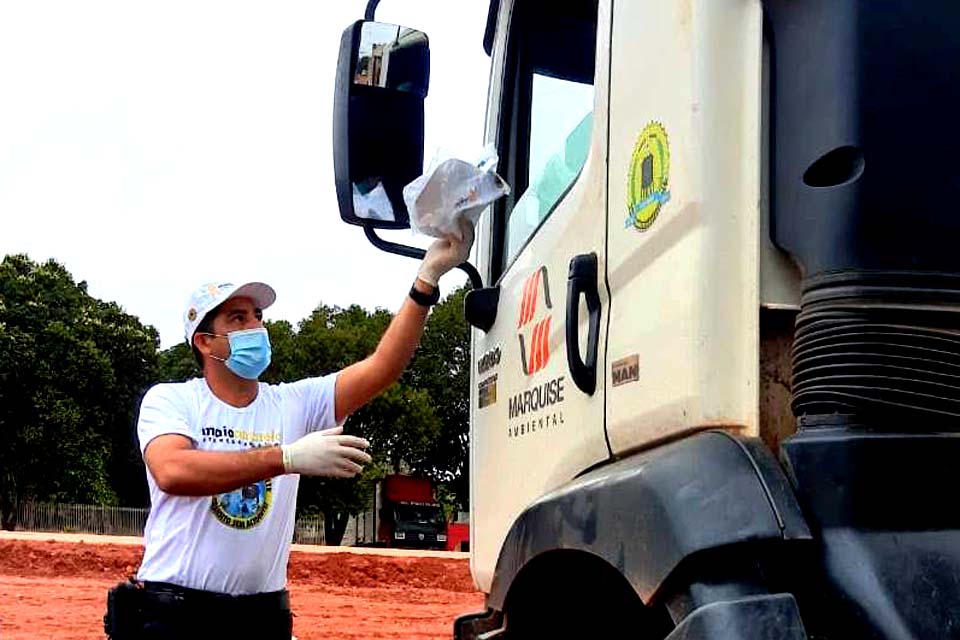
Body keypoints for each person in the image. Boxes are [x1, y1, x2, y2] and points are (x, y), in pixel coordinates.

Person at [103, 221, 474, 640]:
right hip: (175, 616)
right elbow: (173, 472)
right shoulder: (172, 401)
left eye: (258, 317)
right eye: (237, 318)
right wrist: (286, 458)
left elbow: (382, 368)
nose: (256, 328)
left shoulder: (291, 403)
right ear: (204, 342)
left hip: (262, 617)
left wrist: (426, 281)